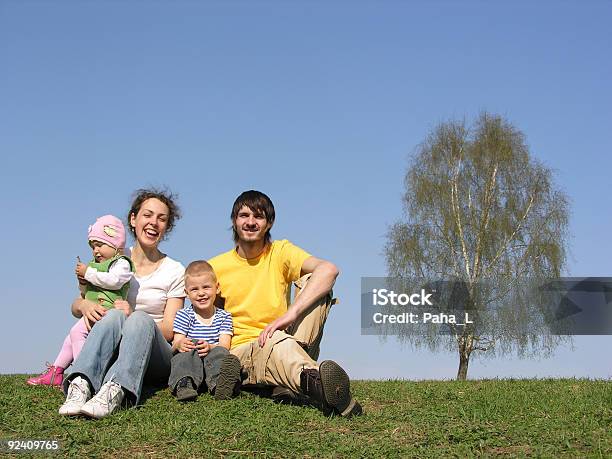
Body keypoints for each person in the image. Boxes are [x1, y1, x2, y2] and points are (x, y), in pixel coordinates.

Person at [209, 190, 362, 417]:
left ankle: (294, 378)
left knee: (315, 282)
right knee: (277, 343)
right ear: (234, 220)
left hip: (283, 338)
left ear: (269, 223)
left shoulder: (280, 251)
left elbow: (329, 270)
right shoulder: (216, 267)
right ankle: (322, 388)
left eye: (258, 217)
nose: (250, 222)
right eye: (244, 215)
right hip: (244, 351)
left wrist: (290, 315)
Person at [58, 188, 185, 419]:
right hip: (114, 347)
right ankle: (81, 383)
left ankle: (116, 390)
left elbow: (169, 329)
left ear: (167, 227)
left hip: (155, 356)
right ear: (133, 219)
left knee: (137, 318)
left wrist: (134, 314)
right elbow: (78, 304)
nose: (154, 223)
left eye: (161, 218)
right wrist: (85, 306)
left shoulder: (175, 270)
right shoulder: (112, 257)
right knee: (114, 315)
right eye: (147, 215)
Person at [27, 215, 133, 388]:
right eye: (92, 247)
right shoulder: (95, 265)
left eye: (100, 245)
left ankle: (82, 373)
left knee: (77, 333)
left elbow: (114, 281)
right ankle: (56, 372)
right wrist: (83, 282)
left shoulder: (121, 263)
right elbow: (85, 295)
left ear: (115, 244)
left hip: (108, 311)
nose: (95, 251)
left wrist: (88, 273)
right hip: (96, 309)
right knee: (71, 336)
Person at [168, 260, 241, 402]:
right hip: (190, 358)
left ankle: (220, 384)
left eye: (206, 287)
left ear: (217, 287)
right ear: (186, 293)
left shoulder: (224, 316)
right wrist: (181, 344)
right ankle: (184, 384)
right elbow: (176, 341)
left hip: (211, 358)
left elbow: (224, 345)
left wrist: (209, 347)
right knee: (183, 354)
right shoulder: (184, 315)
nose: (201, 293)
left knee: (221, 353)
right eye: (194, 289)